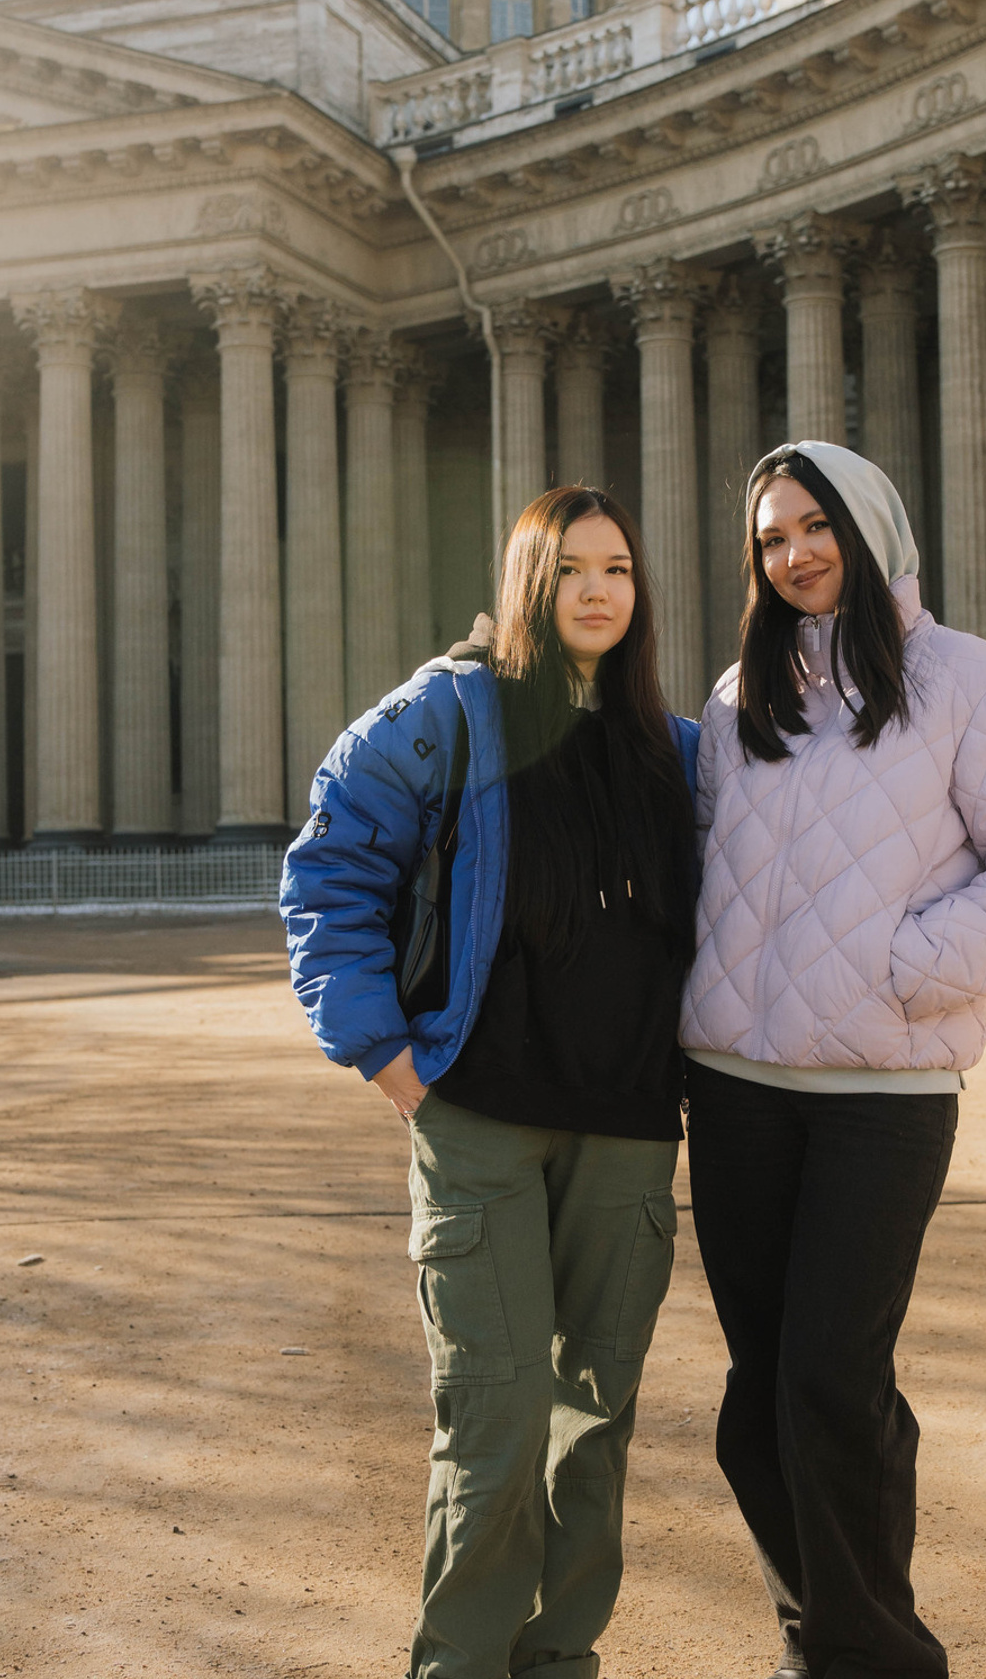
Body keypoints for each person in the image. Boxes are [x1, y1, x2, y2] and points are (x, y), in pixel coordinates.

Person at [683, 442, 986, 1679]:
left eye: (817, 526)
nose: (795, 553)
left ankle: (875, 1660)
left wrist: (904, 969)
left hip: (882, 1099)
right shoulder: (736, 699)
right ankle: (820, 1638)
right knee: (758, 1399)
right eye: (771, 537)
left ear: (871, 532)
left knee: (831, 1381)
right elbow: (700, 865)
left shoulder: (965, 679)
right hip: (738, 1094)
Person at [282, 486, 701, 1679]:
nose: (599, 590)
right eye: (571, 568)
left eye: (618, 568)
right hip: (480, 1119)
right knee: (496, 1417)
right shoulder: (448, 712)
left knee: (596, 1423)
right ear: (527, 580)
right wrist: (385, 1055)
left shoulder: (674, 746)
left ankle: (562, 1659)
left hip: (628, 1127)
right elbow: (329, 870)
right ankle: (459, 1666)